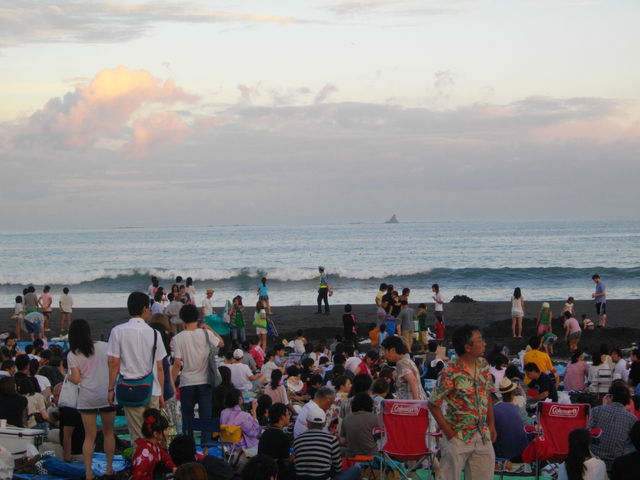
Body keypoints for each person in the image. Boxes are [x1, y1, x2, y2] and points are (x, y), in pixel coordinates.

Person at [428, 325, 496, 480]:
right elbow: (433, 403)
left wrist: (491, 424)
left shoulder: (483, 365)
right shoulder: (450, 371)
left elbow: (487, 395)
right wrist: (449, 433)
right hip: (457, 435)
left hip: (482, 434)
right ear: (468, 347)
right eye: (480, 340)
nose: (484, 344)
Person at [107, 292, 167, 442]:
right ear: (145, 309)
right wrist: (161, 393)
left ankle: (141, 456)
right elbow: (159, 367)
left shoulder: (117, 331)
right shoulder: (155, 334)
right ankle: (154, 456)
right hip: (152, 389)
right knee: (154, 435)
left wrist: (110, 389)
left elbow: (114, 363)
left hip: (130, 389)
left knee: (138, 436)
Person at [67, 319, 115, 480]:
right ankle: (109, 469)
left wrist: (67, 376)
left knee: (89, 436)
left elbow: (76, 379)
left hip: (87, 397)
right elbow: (114, 366)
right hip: (107, 394)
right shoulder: (105, 347)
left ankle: (88, 473)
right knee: (109, 433)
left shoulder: (73, 354)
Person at [170, 304, 223, 441]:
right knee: (206, 418)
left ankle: (189, 445)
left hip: (186, 382)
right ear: (197, 317)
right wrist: (209, 328)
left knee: (187, 419)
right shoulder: (205, 333)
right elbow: (221, 343)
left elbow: (177, 364)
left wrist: (171, 383)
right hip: (205, 381)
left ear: (182, 319)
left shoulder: (178, 338)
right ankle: (206, 448)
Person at [293, 409, 361, 480]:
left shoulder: (297, 440)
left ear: (307, 422)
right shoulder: (331, 439)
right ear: (324, 424)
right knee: (356, 468)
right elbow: (338, 468)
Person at [588, 382, 637, 466]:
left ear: (611, 396)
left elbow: (589, 432)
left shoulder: (596, 410)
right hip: (617, 461)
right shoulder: (632, 418)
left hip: (595, 458)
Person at [132, 409, 176, 480]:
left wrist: (173, 467)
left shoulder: (155, 445)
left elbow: (165, 458)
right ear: (155, 434)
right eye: (165, 429)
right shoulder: (145, 453)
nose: (168, 432)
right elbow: (138, 476)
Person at [492, 378, 529, 463]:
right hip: (521, 451)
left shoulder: (496, 408)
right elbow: (524, 397)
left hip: (504, 452)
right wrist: (521, 389)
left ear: (501, 394)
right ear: (513, 392)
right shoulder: (519, 401)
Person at [381, 336, 425, 400]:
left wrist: (416, 403)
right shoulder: (407, 361)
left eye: (385, 351)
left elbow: (412, 380)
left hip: (410, 404)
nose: (384, 355)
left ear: (392, 350)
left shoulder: (401, 363)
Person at [339, 393, 382, 457]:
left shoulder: (346, 419)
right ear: (370, 405)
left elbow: (342, 441)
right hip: (371, 456)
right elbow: (381, 436)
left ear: (353, 405)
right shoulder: (375, 418)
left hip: (351, 456)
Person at [258, 403, 293, 480]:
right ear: (282, 417)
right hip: (274, 473)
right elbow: (286, 461)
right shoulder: (283, 437)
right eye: (288, 414)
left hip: (261, 470)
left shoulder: (265, 433)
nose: (289, 417)